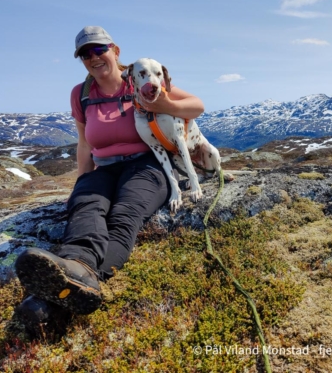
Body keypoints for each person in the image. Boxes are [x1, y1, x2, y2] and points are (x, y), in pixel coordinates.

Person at [14, 26, 204, 333]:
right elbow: (84, 144)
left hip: (147, 165)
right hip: (103, 168)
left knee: (124, 215)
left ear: (115, 51)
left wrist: (164, 105)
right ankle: (75, 270)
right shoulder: (81, 94)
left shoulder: (141, 78)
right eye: (85, 54)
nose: (93, 57)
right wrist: (82, 184)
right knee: (86, 207)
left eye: (99, 50)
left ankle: (55, 298)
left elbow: (196, 105)